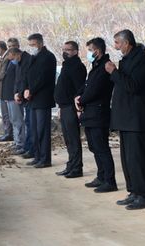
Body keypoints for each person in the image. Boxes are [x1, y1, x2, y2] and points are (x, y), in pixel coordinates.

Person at [105, 30, 145, 209]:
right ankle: (133, 191)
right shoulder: (127, 59)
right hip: (125, 118)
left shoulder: (142, 59)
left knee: (138, 159)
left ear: (127, 43)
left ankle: (144, 195)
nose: (116, 46)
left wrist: (114, 72)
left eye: (118, 43)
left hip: (137, 118)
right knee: (127, 159)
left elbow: (133, 86)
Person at [75, 37, 117, 193]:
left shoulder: (105, 67)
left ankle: (109, 180)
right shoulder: (95, 66)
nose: (89, 53)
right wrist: (78, 96)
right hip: (90, 114)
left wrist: (81, 100)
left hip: (99, 113)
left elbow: (95, 90)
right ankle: (101, 176)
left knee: (102, 147)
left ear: (97, 51)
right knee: (94, 147)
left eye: (90, 50)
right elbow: (86, 85)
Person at [54, 41, 87, 178]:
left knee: (73, 138)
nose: (65, 52)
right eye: (64, 49)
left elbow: (79, 89)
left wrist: (78, 108)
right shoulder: (67, 65)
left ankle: (77, 168)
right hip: (64, 107)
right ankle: (71, 165)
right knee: (68, 139)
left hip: (71, 107)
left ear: (75, 51)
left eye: (68, 49)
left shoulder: (77, 66)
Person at [23, 33, 56, 168]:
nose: (32, 48)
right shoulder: (33, 57)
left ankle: (45, 158)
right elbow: (27, 74)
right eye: (30, 45)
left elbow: (43, 78)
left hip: (42, 98)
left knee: (42, 130)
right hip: (32, 99)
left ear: (40, 43)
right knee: (34, 130)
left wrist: (32, 90)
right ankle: (37, 156)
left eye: (34, 45)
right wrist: (25, 89)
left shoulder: (48, 57)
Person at [1, 38, 25, 153]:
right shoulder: (9, 61)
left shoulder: (18, 62)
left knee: (17, 120)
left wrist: (16, 93)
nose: (11, 49)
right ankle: (17, 142)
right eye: (9, 46)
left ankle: (20, 143)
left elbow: (18, 80)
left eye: (13, 46)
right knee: (13, 120)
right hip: (9, 96)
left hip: (14, 96)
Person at [11, 48, 34, 158]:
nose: (13, 61)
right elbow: (17, 80)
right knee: (28, 122)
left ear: (16, 54)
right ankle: (27, 147)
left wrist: (20, 93)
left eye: (13, 58)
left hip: (28, 97)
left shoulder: (28, 60)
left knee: (30, 124)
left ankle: (30, 148)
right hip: (22, 96)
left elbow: (26, 79)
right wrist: (17, 93)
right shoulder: (19, 62)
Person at [0, 41, 13, 142]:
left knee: (6, 114)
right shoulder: (4, 58)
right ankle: (7, 133)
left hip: (4, 90)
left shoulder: (6, 59)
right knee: (5, 114)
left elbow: (2, 74)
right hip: (3, 90)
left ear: (0, 48)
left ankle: (9, 134)